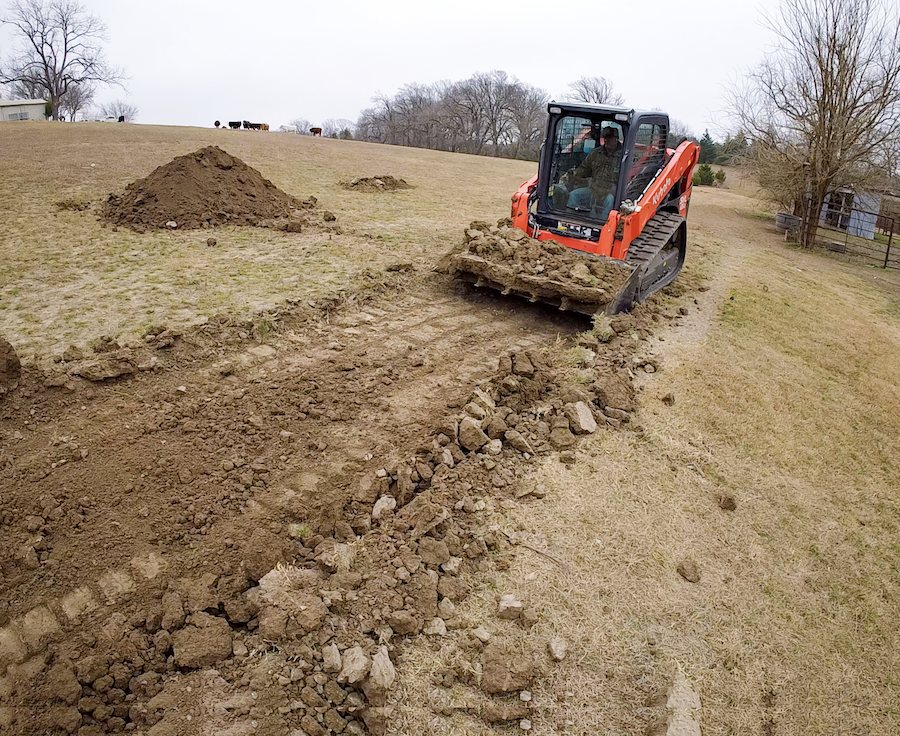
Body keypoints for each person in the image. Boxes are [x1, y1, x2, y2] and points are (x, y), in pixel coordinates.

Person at [554, 125, 623, 221]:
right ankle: (569, 221)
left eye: (609, 138)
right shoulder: (596, 153)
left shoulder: (624, 157)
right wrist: (574, 175)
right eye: (605, 138)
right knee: (574, 195)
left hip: (611, 192)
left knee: (610, 202)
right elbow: (584, 168)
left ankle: (603, 226)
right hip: (594, 189)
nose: (606, 140)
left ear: (616, 139)